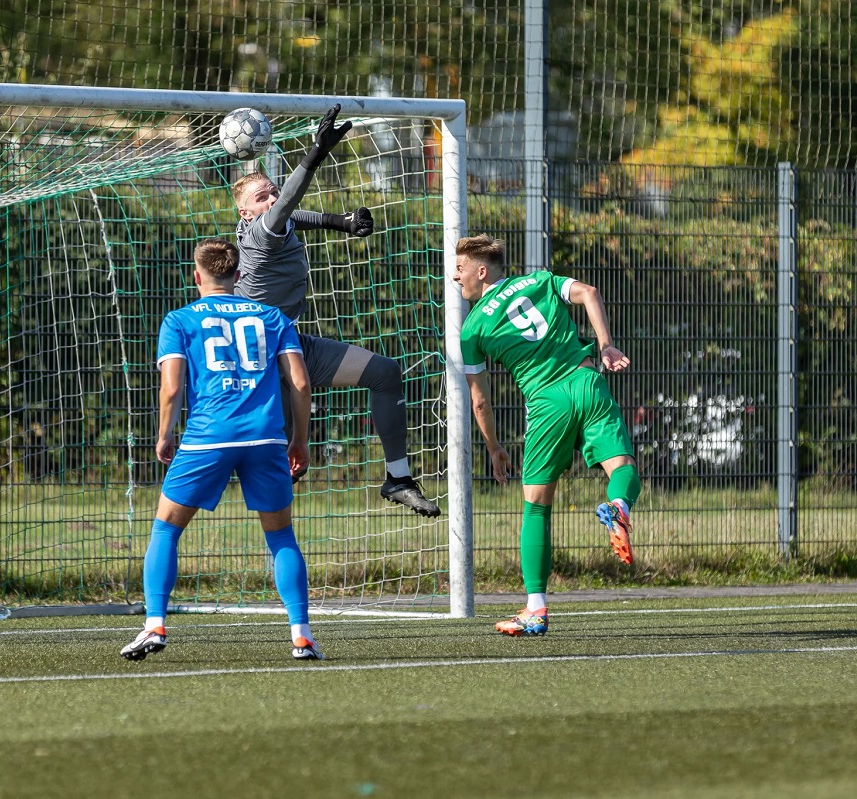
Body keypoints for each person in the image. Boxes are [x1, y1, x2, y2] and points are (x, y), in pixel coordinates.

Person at [230, 103, 440, 518]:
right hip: (259, 359)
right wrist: (315, 154)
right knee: (278, 473)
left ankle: (397, 477)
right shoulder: (258, 234)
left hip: (288, 341)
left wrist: (341, 222)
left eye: (272, 190)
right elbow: (289, 204)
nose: (271, 197)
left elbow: (293, 213)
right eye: (261, 196)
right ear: (245, 213)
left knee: (385, 373)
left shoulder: (274, 222)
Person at [120, 238, 324, 662]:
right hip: (266, 438)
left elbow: (172, 387)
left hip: (207, 437)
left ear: (197, 276)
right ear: (238, 276)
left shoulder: (179, 320)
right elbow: (301, 384)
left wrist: (164, 434)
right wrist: (300, 439)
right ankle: (301, 634)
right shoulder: (273, 316)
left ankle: (154, 625)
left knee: (166, 529)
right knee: (281, 534)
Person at [454, 234, 642, 636]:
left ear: (481, 271)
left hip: (546, 403)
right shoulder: (540, 279)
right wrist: (606, 346)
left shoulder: (471, 329)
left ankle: (535, 609)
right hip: (587, 379)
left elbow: (479, 402)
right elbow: (589, 292)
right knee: (622, 466)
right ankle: (620, 507)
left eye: (459, 269)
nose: (455, 278)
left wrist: (494, 448)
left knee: (537, 507)